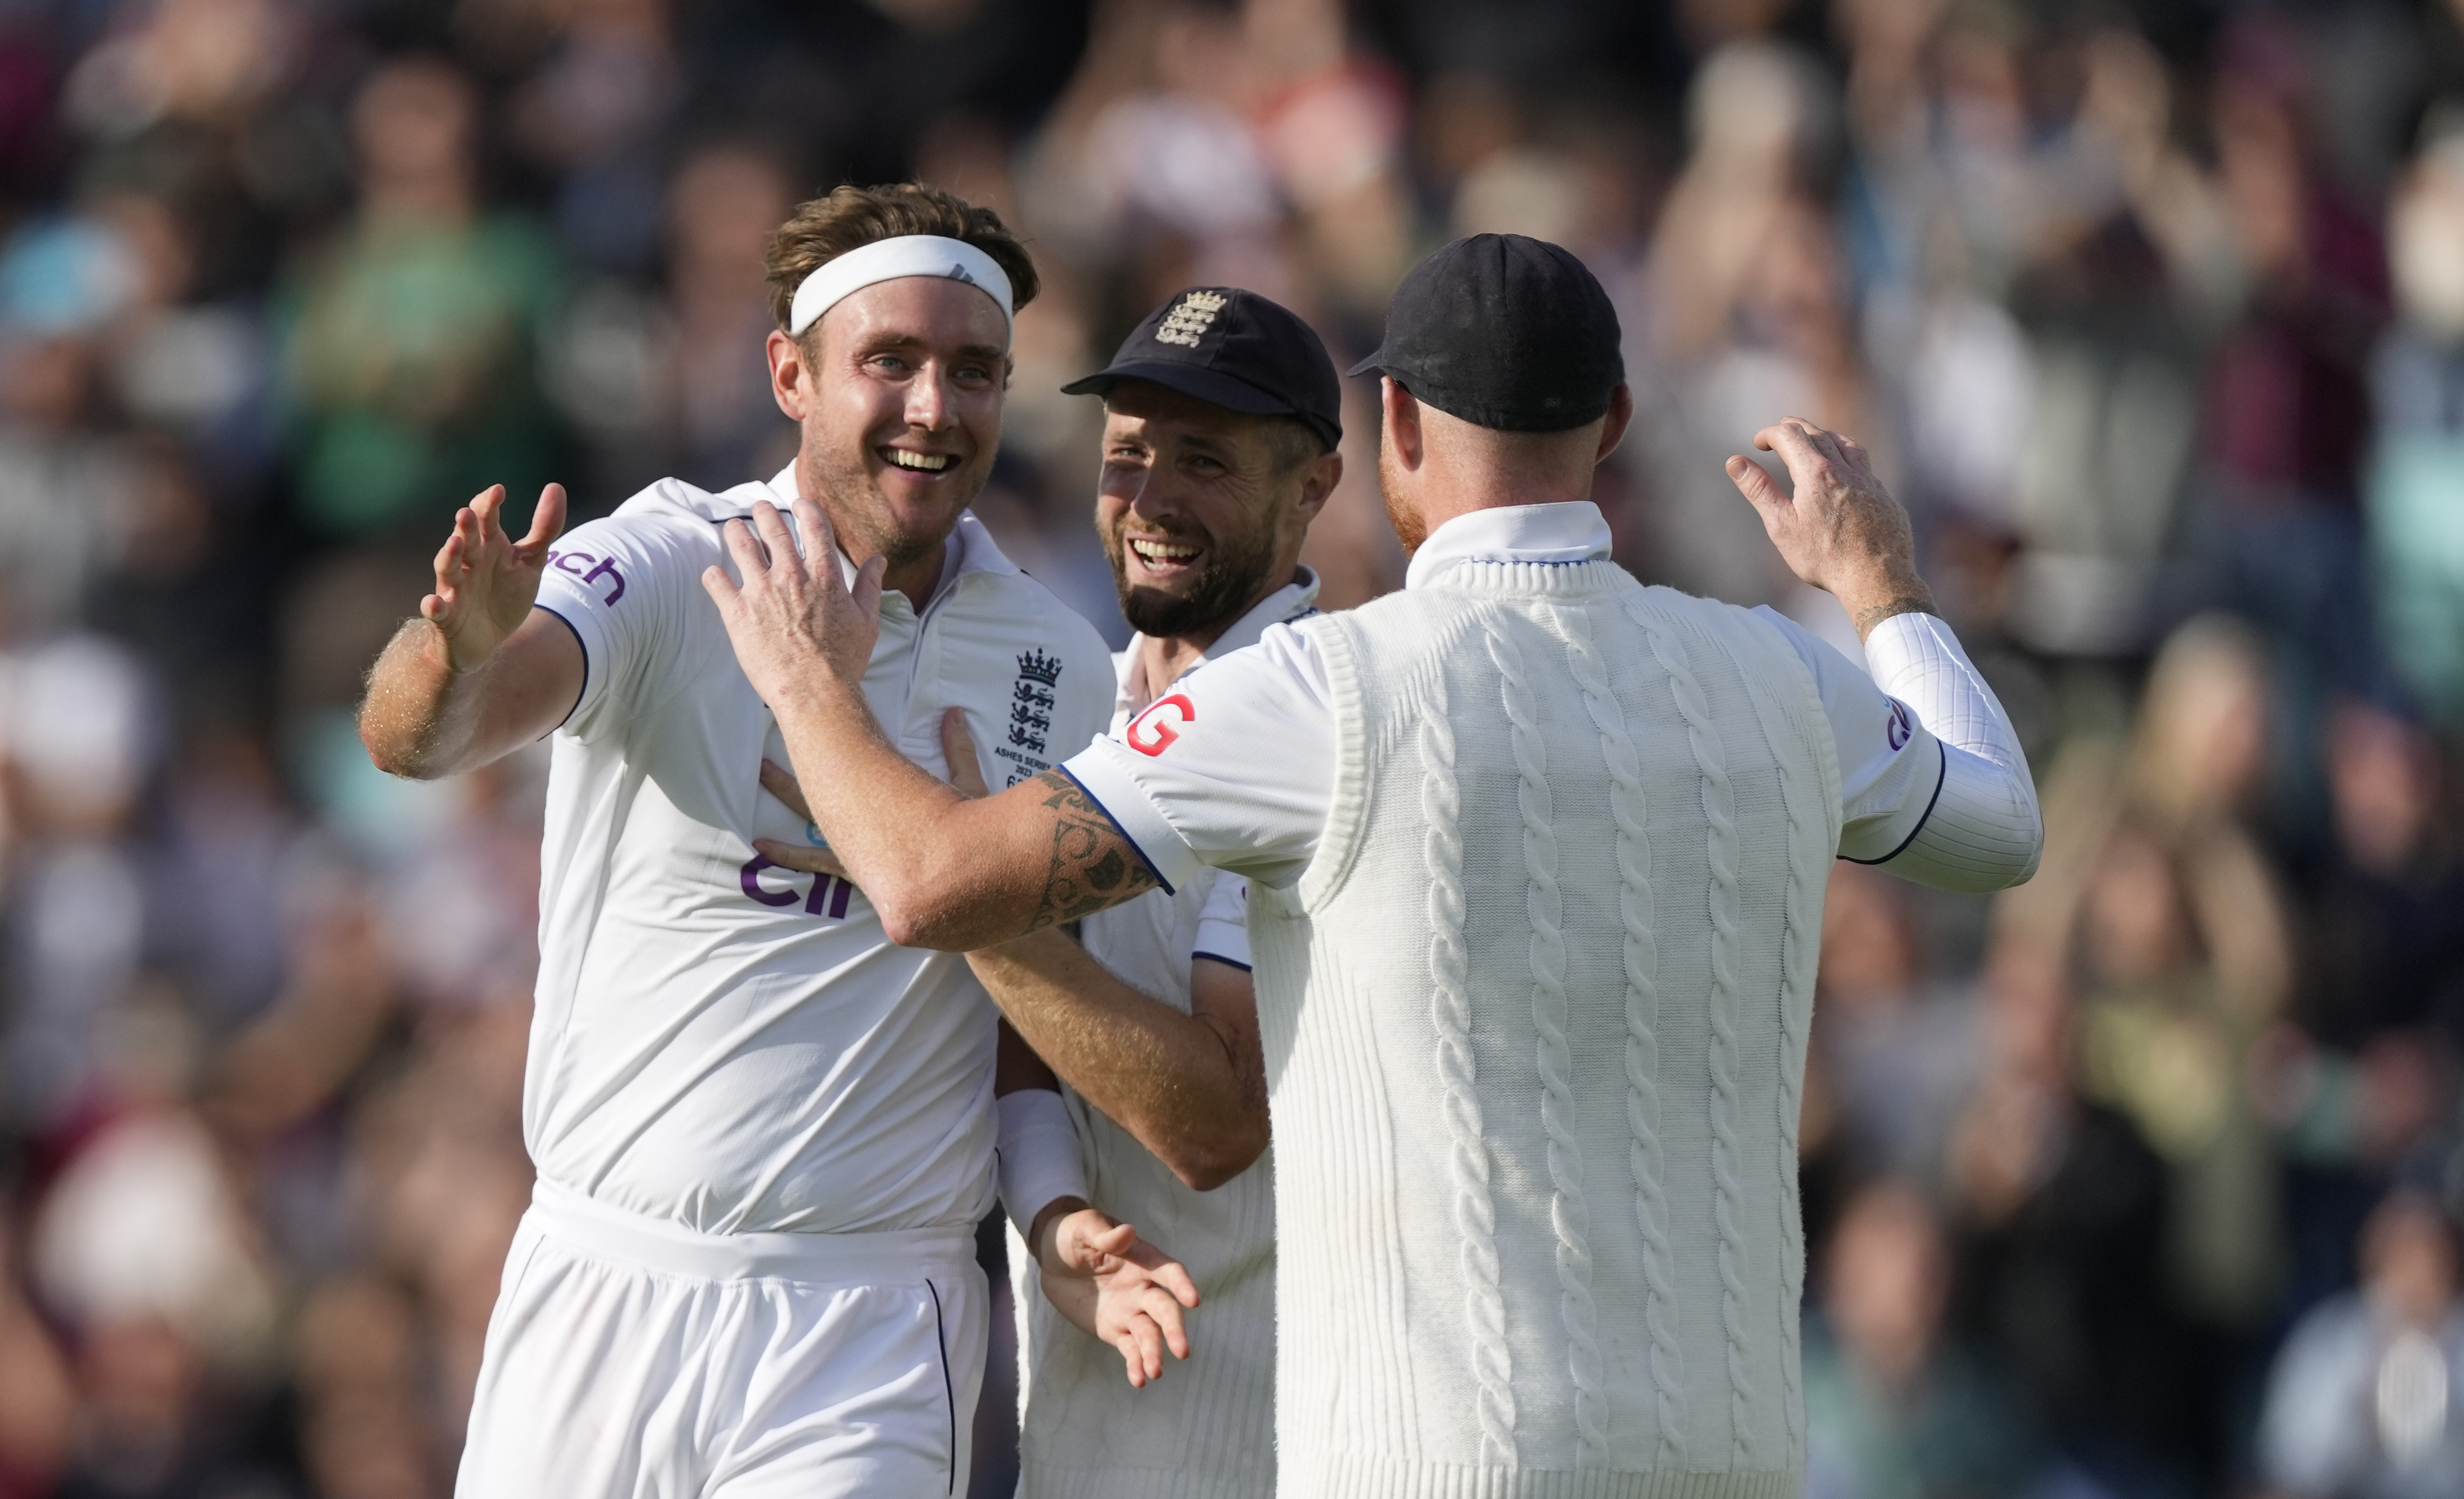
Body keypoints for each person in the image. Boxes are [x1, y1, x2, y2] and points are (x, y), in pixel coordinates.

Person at [702, 232, 2044, 1494]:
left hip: (1435, 1460)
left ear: (1390, 425)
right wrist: (1881, 591)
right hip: (1732, 1454)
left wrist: (811, 690)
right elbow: (1997, 825)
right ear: (1615, 426)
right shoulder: (1772, 670)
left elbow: (932, 884)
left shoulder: (1325, 687)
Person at [357, 182, 1190, 1499]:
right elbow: (424, 734)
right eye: (891, 362)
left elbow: (1027, 1005)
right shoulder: (666, 560)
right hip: (602, 1283)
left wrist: (1049, 1212)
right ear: (790, 374)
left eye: (975, 372)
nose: (934, 407)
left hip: (867, 1324)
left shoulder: (1057, 661)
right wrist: (450, 648)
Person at [760, 285, 1344, 1498]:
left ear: (1314, 490)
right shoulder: (1093, 692)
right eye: (1128, 454)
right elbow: (1035, 1044)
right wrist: (1053, 1215)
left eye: (1205, 461)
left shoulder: (1316, 725)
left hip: (1274, 1435)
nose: (1152, 499)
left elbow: (1212, 1123)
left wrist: (960, 892)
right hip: (1096, 1426)